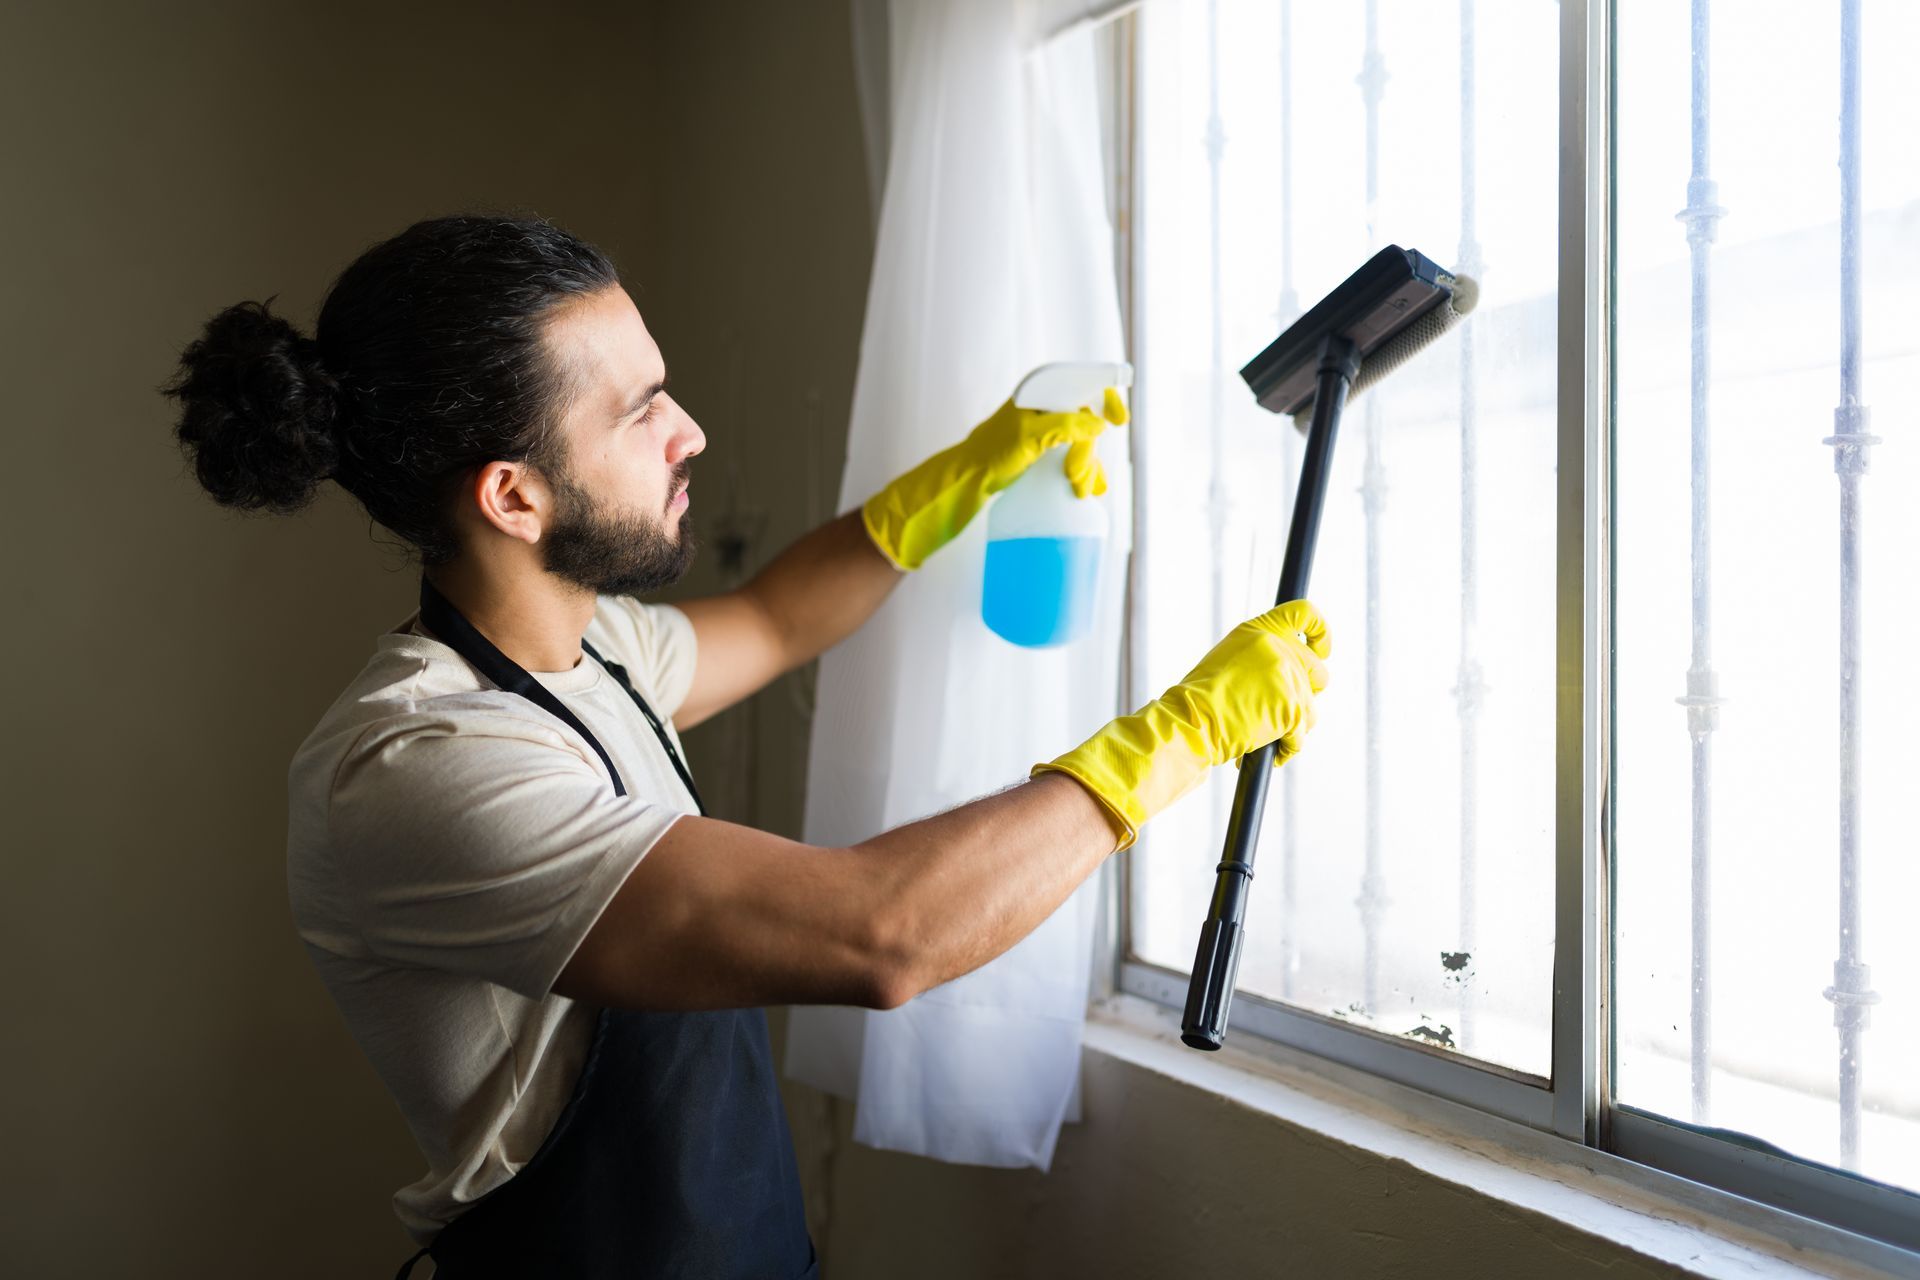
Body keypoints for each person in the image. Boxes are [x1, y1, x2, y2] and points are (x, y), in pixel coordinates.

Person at [166, 214, 1331, 1279]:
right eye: (639, 412)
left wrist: (972, 473)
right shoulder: (423, 760)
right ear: (513, 496)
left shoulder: (596, 647)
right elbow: (883, 932)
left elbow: (774, 617)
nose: (691, 432)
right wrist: (1180, 734)